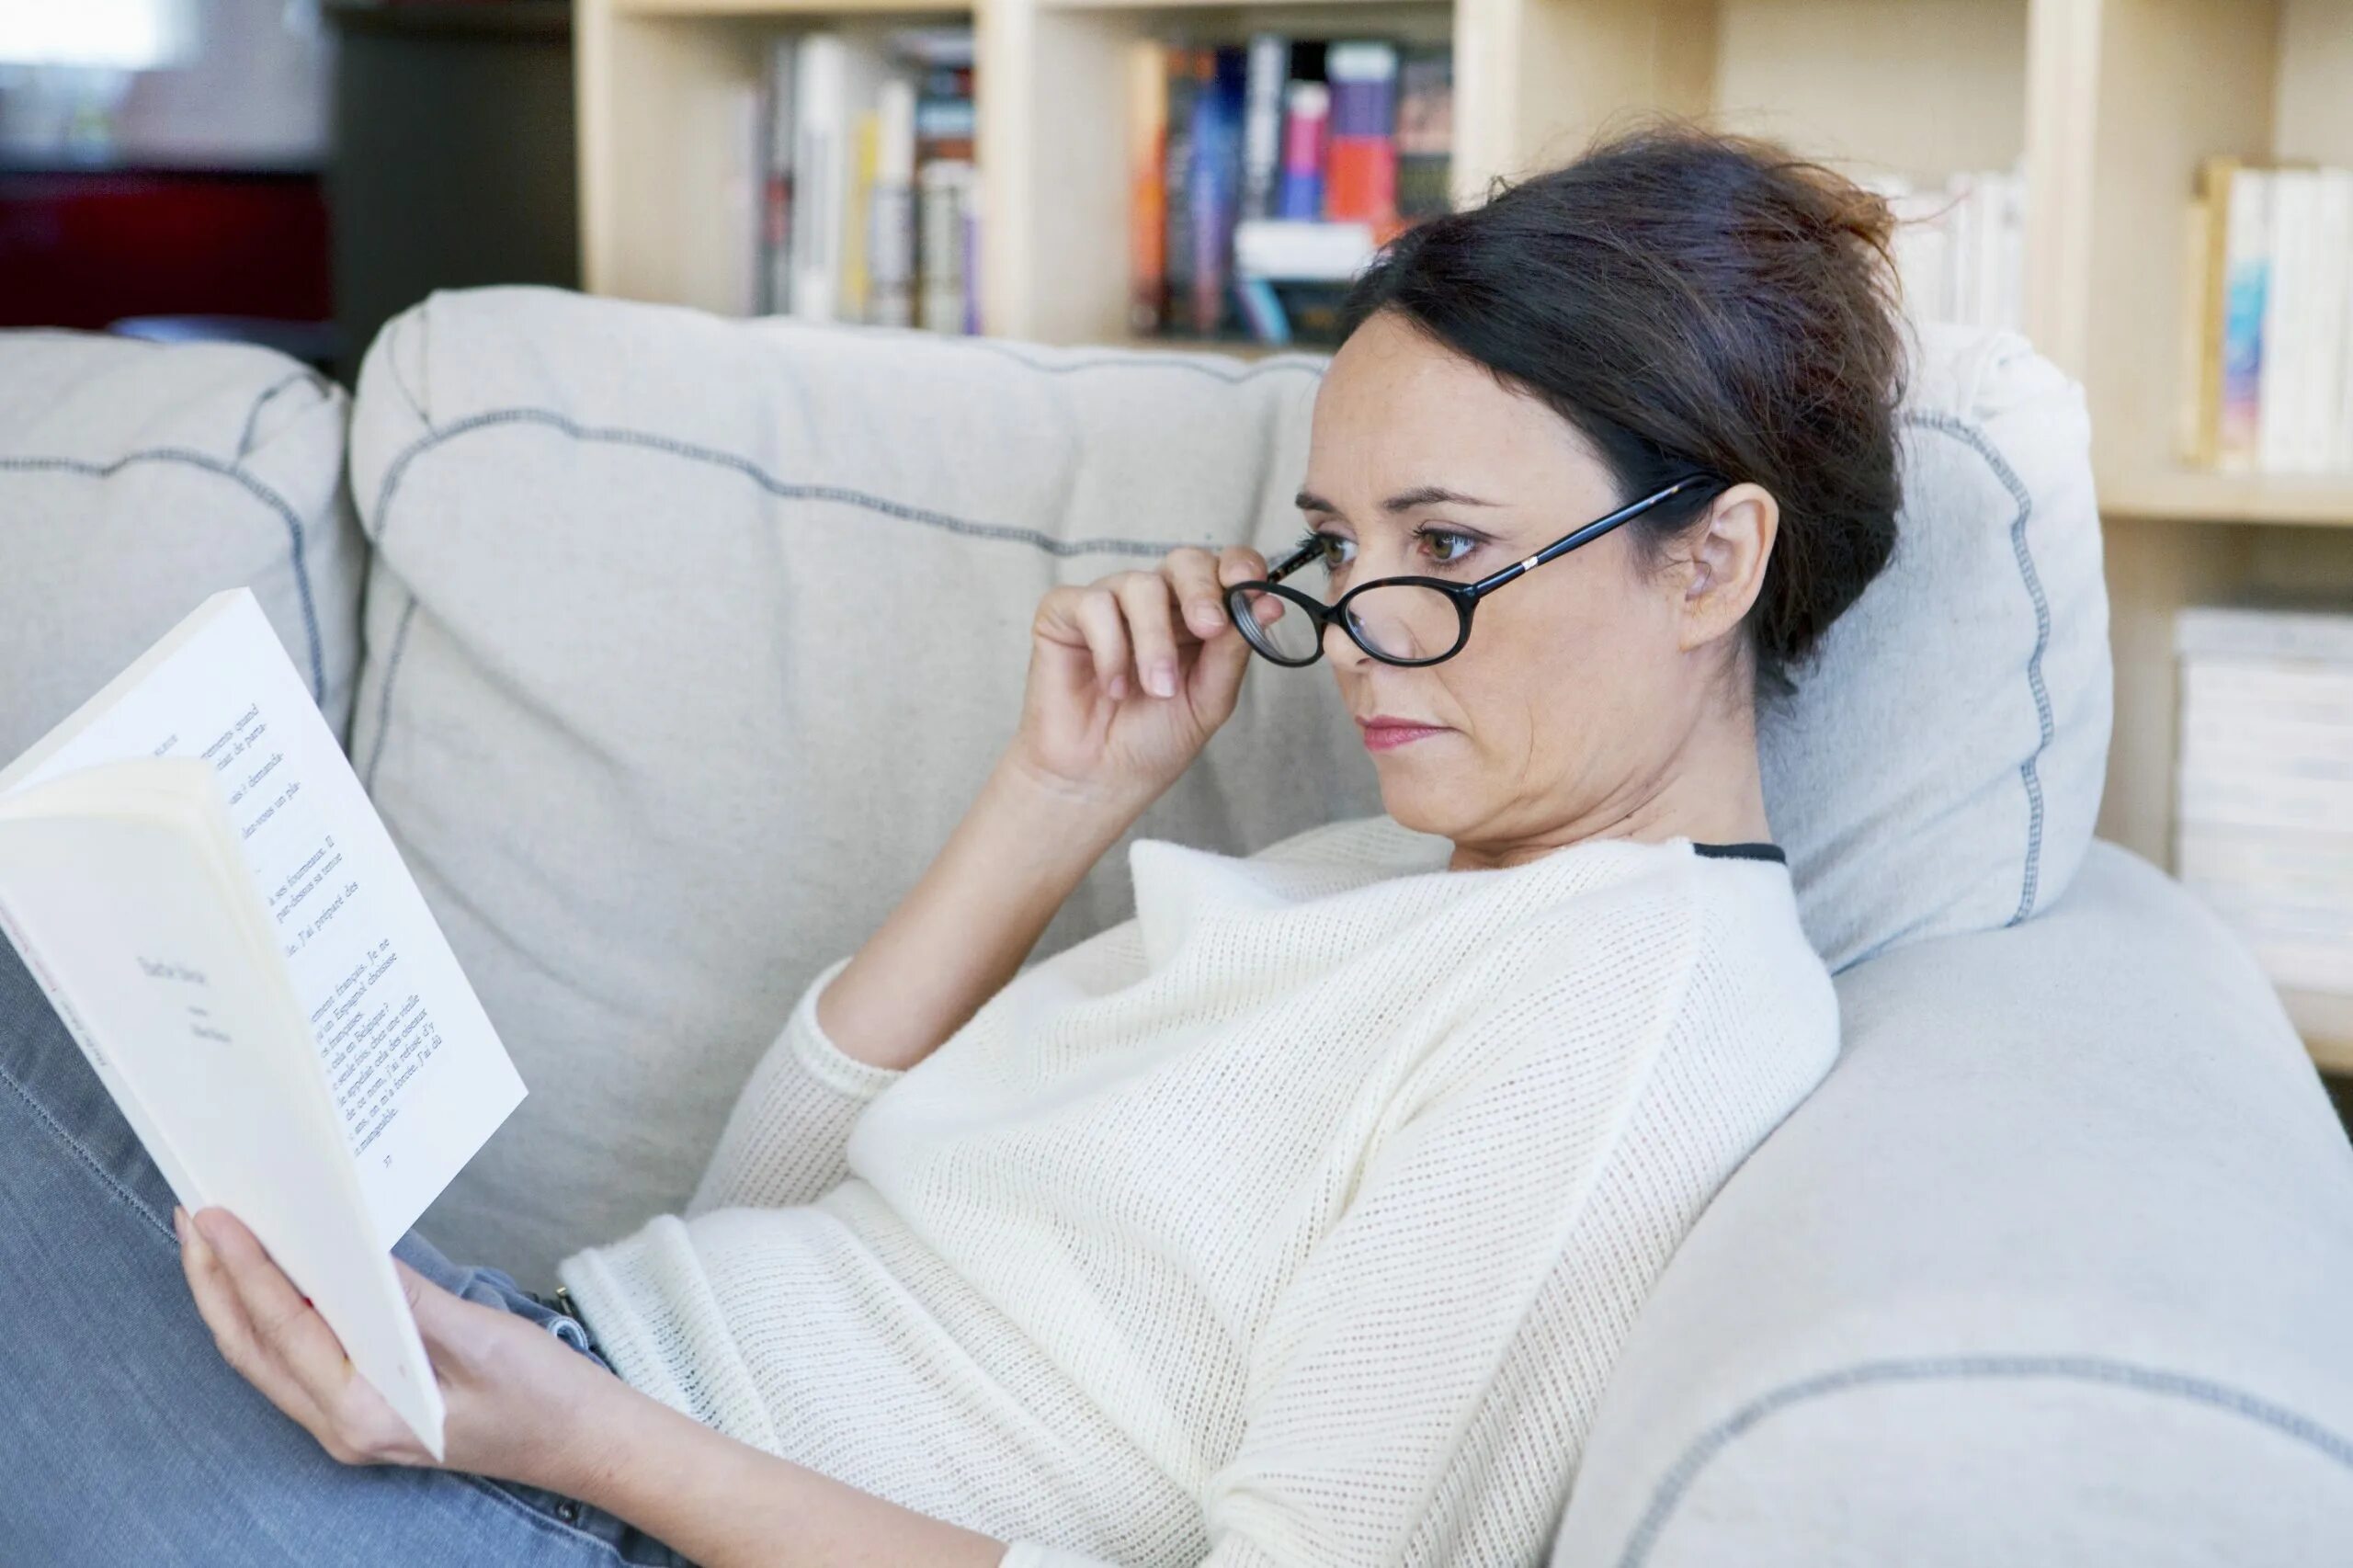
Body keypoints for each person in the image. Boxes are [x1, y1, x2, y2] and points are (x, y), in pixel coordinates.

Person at [0, 124, 1904, 1566]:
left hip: (567, 1511)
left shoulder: (1627, 1013)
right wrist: (1055, 797)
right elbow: (769, 1217)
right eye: (1339, 543)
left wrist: (571, 1438)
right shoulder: (1410, 865)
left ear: (1710, 561)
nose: (1357, 635)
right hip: (537, 1403)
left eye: (1453, 549)